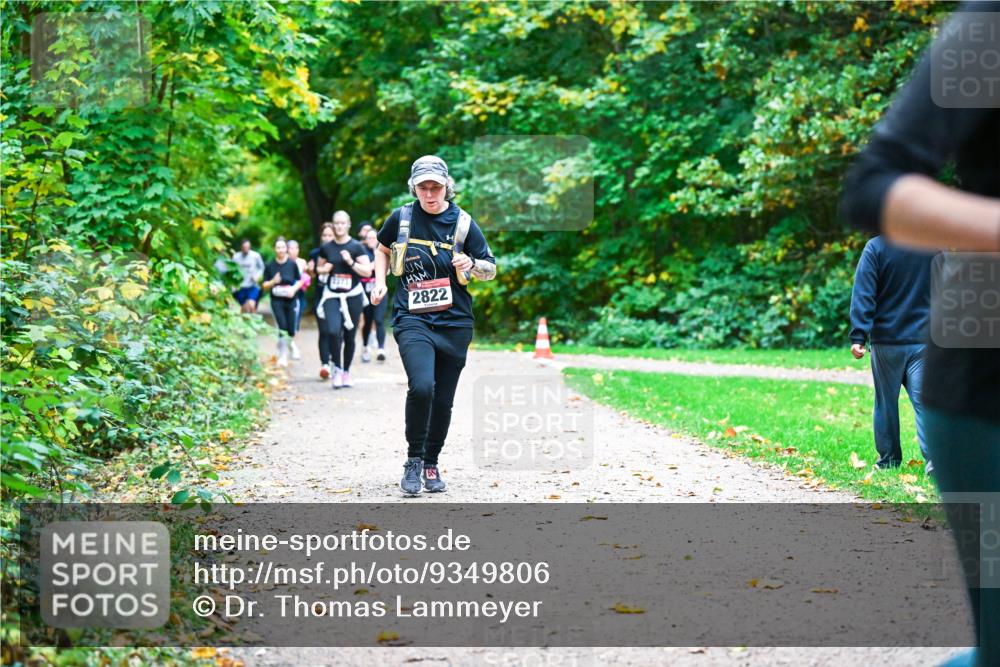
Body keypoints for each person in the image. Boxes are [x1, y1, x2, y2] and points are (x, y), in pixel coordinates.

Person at [840, 4, 999, 665]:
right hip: (985, 383)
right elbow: (871, 188)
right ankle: (893, 459)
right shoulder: (989, 29)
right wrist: (860, 330)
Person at [371, 155, 497, 495]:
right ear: (414, 187)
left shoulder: (464, 222)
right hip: (412, 317)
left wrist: (471, 262)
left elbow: (490, 268)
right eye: (423, 187)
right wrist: (379, 281)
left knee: (443, 399)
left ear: (447, 187)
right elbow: (382, 249)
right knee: (423, 386)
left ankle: (431, 462)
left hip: (455, 321)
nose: (430, 194)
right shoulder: (402, 217)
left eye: (436, 187)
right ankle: (413, 460)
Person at [848, 235, 933, 471]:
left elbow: (864, 293)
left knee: (885, 403)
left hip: (887, 341)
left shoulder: (876, 247)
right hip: (924, 340)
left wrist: (859, 335)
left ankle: (889, 461)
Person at [316, 210, 372, 389]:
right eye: (336, 223)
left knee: (349, 335)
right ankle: (337, 370)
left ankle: (346, 372)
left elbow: (367, 271)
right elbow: (318, 268)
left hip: (352, 296)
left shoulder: (356, 247)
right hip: (332, 295)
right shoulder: (327, 247)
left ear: (348, 225)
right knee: (333, 331)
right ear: (333, 225)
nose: (339, 226)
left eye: (343, 223)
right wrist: (324, 270)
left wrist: (351, 263)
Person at [261, 237, 304, 367]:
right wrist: (273, 282)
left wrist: (293, 289)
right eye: (278, 247)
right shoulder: (270, 265)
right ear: (275, 249)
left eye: (283, 247)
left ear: (286, 249)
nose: (280, 250)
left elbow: (300, 280)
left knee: (291, 330)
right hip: (277, 301)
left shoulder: (292, 264)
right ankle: (283, 355)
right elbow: (264, 285)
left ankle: (290, 344)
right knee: (282, 327)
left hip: (291, 299)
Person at [308, 223, 336, 379]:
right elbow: (311, 275)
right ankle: (324, 364)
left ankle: (334, 361)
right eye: (324, 235)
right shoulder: (315, 253)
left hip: (337, 296)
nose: (327, 238)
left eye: (330, 235)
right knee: (324, 331)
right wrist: (310, 270)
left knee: (335, 331)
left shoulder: (341, 251)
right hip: (320, 294)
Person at [359, 228, 387, 363]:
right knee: (368, 321)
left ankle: (381, 349)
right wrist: (371, 266)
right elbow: (362, 270)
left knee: (379, 319)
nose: (371, 240)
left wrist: (375, 266)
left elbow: (387, 271)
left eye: (374, 238)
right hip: (365, 292)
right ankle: (365, 348)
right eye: (369, 238)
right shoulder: (361, 252)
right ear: (365, 240)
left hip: (380, 290)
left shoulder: (382, 252)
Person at [287, 240, 311, 361]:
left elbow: (306, 277)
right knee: (287, 322)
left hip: (299, 294)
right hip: (286, 294)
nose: (294, 251)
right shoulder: (284, 262)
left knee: (296, 321)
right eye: (291, 248)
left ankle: (293, 345)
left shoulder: (302, 262)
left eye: (296, 248)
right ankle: (289, 344)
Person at [232, 239, 264, 314]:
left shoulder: (255, 256)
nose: (246, 249)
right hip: (240, 286)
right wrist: (233, 284)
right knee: (243, 308)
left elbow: (262, 268)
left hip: (252, 285)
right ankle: (245, 323)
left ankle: (254, 321)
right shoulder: (236, 257)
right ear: (241, 247)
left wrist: (257, 276)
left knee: (251, 305)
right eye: (244, 247)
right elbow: (232, 270)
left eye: (248, 247)